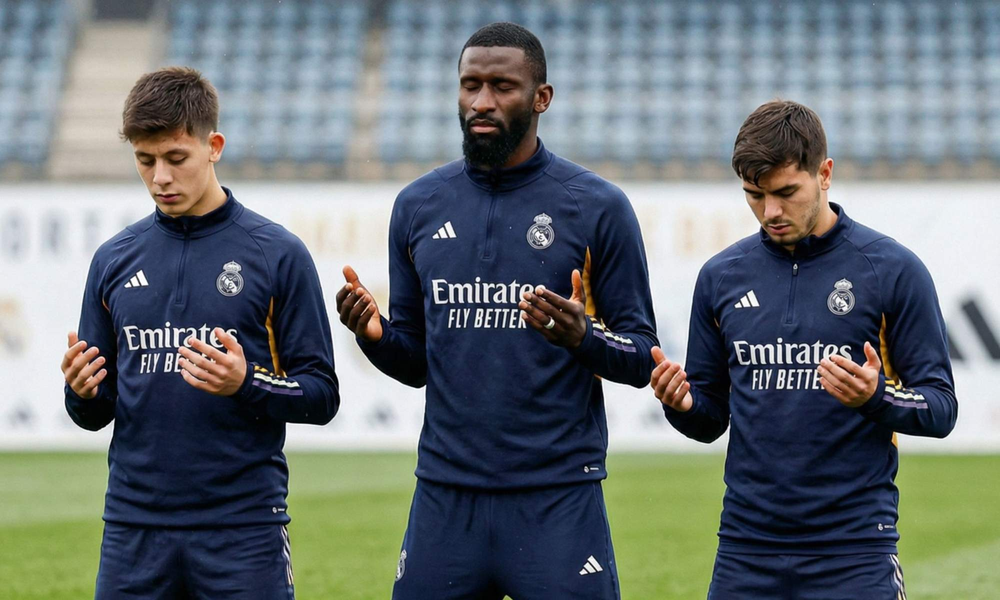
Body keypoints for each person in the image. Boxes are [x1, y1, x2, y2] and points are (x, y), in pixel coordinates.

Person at [336, 22, 657, 600]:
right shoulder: (418, 206)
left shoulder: (597, 208)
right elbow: (415, 363)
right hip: (445, 495)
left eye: (501, 87)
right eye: (470, 85)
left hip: (557, 496)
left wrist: (585, 338)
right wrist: (375, 335)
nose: (481, 102)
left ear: (542, 98)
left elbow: (641, 355)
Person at [651, 100, 957, 599]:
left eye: (786, 192)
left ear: (825, 173)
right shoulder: (721, 277)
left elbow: (941, 407)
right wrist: (680, 405)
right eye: (754, 195)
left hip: (855, 551)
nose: (770, 212)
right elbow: (709, 420)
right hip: (745, 550)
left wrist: (876, 397)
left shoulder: (893, 270)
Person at [60, 66, 339, 599]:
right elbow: (94, 414)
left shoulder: (277, 254)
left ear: (213, 146)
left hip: (244, 529)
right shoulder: (113, 260)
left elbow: (322, 394)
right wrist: (82, 391)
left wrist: (247, 382)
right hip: (132, 529)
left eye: (175, 158)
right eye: (145, 161)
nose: (160, 177)